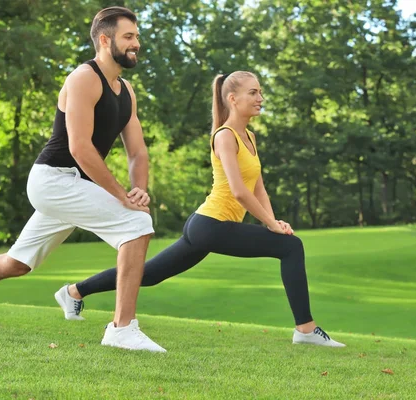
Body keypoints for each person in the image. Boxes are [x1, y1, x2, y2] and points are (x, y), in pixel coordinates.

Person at [0, 6, 166, 353]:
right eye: (129, 37)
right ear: (105, 39)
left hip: (72, 186)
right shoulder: (83, 78)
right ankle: (122, 329)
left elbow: (138, 152)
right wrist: (123, 197)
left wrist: (138, 188)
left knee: (17, 263)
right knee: (137, 224)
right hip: (52, 180)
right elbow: (80, 148)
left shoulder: (126, 91)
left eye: (137, 37)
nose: (136, 43)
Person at [58, 71, 345, 347]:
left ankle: (74, 291)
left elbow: (258, 189)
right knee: (291, 247)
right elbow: (238, 191)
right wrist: (270, 224)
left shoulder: (250, 137)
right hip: (212, 225)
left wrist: (274, 220)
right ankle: (305, 330)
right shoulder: (225, 136)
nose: (261, 98)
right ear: (232, 98)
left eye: (260, 92)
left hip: (206, 226)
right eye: (253, 92)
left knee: (148, 274)